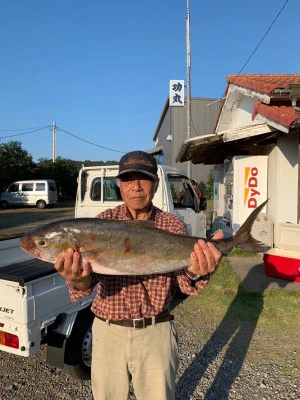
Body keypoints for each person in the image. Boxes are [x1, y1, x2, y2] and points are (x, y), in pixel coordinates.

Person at [54, 151, 223, 400]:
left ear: (155, 183)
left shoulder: (171, 225)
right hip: (108, 332)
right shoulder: (103, 222)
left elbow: (185, 286)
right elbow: (87, 286)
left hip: (156, 332)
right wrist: (78, 279)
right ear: (119, 185)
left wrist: (195, 272)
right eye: (128, 179)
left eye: (143, 179)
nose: (136, 187)